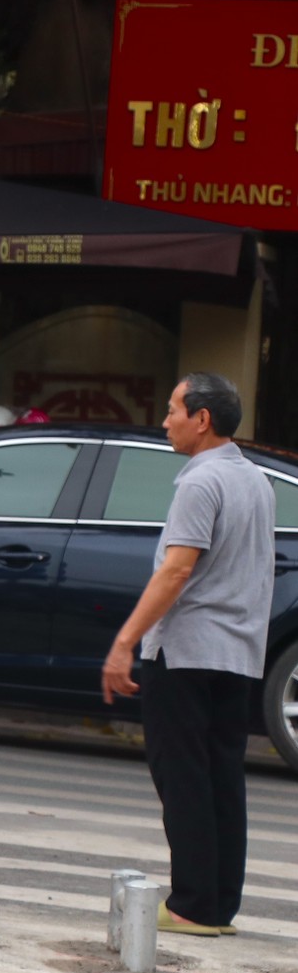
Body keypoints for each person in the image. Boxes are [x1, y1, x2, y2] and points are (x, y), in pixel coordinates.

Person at [101, 372, 273, 936]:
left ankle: (191, 904)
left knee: (184, 778)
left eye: (173, 409)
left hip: (188, 650)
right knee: (222, 775)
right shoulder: (256, 481)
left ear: (202, 419)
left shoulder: (200, 483)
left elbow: (178, 569)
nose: (166, 420)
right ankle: (218, 903)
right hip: (239, 654)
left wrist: (125, 642)